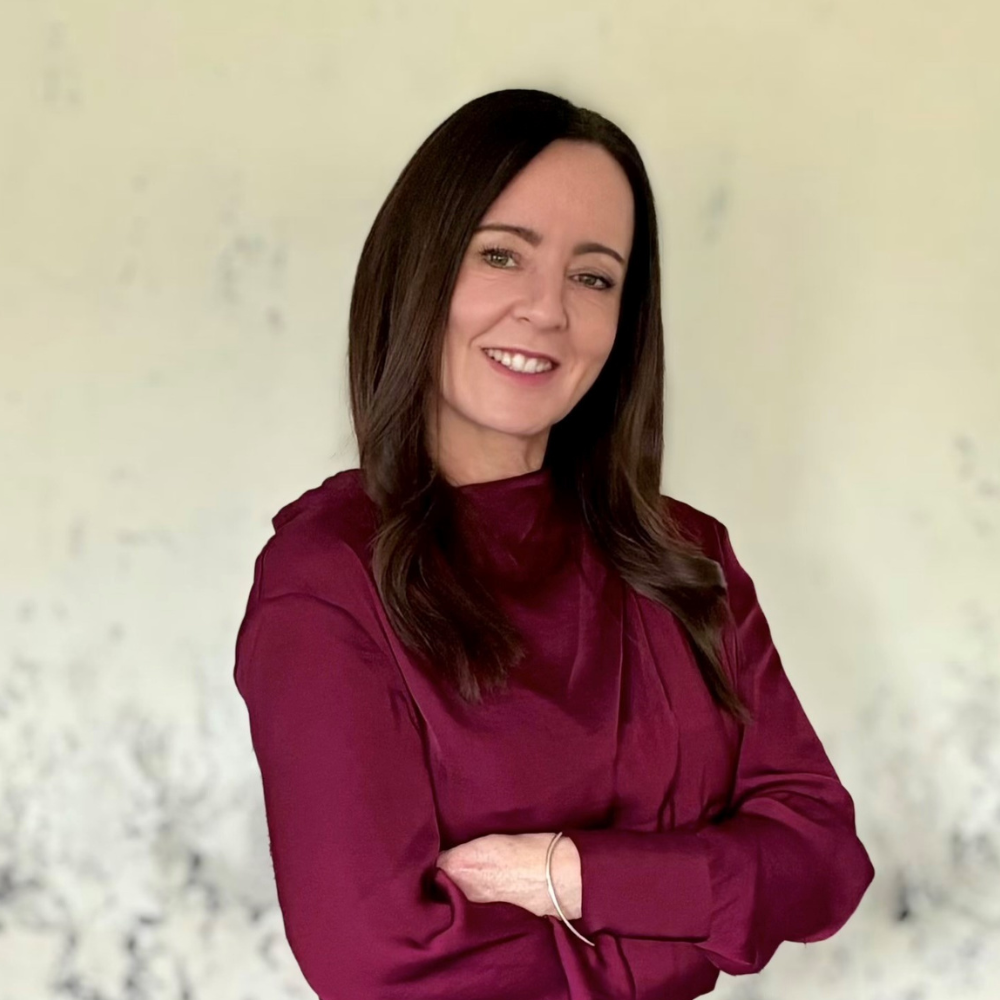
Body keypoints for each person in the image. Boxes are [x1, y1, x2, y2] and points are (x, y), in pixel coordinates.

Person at [232, 88, 875, 999]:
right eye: (502, 256)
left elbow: (822, 861)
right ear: (419, 273)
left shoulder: (685, 557)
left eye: (594, 276)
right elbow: (380, 967)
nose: (548, 310)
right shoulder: (328, 580)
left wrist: (567, 876)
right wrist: (691, 920)